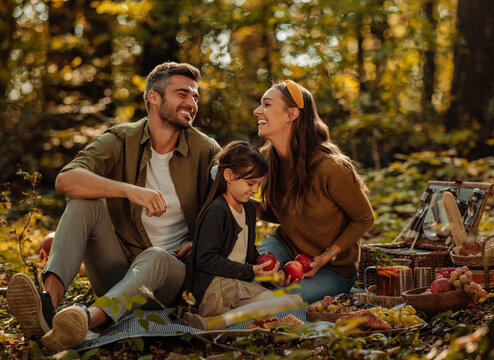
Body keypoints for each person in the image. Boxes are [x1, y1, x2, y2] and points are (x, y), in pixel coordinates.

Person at [7, 62, 221, 351]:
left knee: (155, 256)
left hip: (173, 282)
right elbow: (67, 179)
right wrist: (129, 191)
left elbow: (230, 204)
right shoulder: (122, 139)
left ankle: (86, 320)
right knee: (84, 204)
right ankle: (47, 308)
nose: (192, 103)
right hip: (121, 271)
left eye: (195, 96)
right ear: (154, 98)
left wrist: (199, 241)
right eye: (182, 94)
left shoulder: (206, 148)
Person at [253, 80, 375, 304]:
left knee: (283, 299)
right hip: (285, 246)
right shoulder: (268, 160)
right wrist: (239, 199)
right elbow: (281, 213)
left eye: (267, 104)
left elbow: (364, 218)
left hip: (333, 269)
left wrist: (326, 256)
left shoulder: (330, 167)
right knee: (252, 274)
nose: (257, 111)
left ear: (291, 114)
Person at [181, 141, 302, 331]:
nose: (255, 190)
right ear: (228, 175)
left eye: (258, 184)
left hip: (235, 285)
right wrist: (251, 271)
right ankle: (215, 322)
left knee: (293, 300)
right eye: (250, 183)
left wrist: (269, 275)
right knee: (282, 302)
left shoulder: (247, 208)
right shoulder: (217, 210)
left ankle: (221, 318)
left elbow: (247, 252)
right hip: (211, 289)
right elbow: (205, 259)